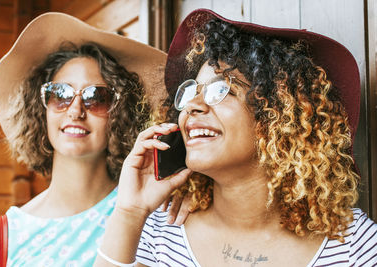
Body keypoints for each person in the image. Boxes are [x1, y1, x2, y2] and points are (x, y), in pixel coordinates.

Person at [95, 9, 377, 267]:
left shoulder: (354, 246)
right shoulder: (160, 231)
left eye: (221, 91)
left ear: (277, 117)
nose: (193, 105)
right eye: (192, 91)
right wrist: (130, 212)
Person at [0, 12, 188, 267]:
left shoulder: (152, 209)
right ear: (40, 106)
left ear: (121, 113)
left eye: (96, 97)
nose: (75, 111)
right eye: (60, 94)